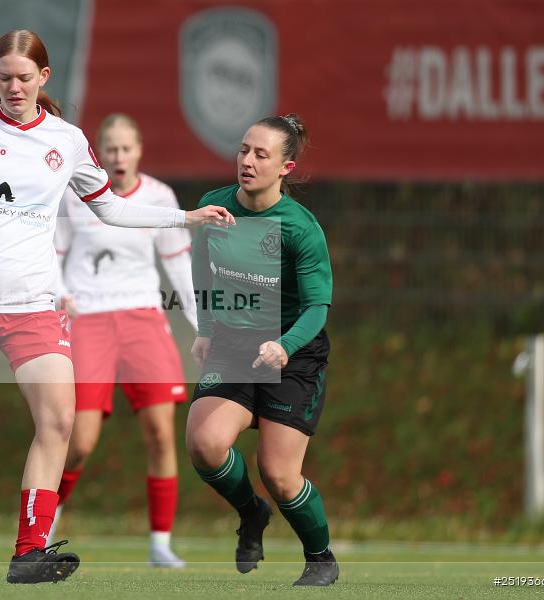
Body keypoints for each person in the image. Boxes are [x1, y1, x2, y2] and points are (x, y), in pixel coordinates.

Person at [0, 30, 233, 585]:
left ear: (43, 78)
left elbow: (111, 209)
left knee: (58, 421)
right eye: (4, 77)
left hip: (34, 309)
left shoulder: (66, 141)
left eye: (24, 78)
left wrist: (185, 217)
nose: (14, 88)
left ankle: (28, 552)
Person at [185, 114, 339, 586]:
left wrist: (285, 346)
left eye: (260, 155)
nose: (247, 161)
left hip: (293, 352)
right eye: (243, 150)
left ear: (285, 168)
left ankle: (321, 559)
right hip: (233, 343)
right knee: (204, 444)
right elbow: (202, 271)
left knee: (279, 473)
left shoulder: (300, 228)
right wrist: (205, 328)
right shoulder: (213, 208)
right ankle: (252, 512)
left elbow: (317, 307)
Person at [50, 114, 196, 567]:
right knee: (79, 441)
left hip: (143, 319)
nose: (118, 156)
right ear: (99, 152)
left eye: (126, 148)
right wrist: (60, 293)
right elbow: (50, 252)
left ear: (138, 151)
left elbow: (178, 265)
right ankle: (45, 522)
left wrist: (201, 324)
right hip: (88, 319)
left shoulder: (159, 197)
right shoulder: (74, 194)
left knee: (161, 434)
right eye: (110, 149)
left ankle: (160, 545)